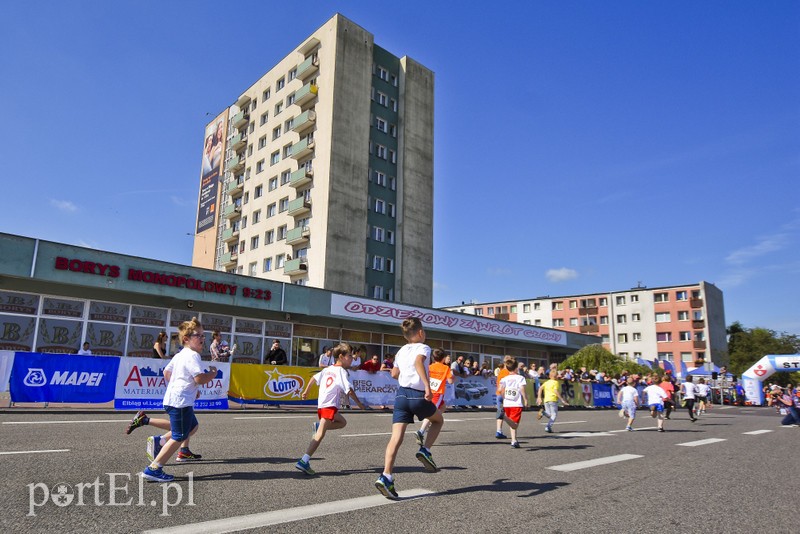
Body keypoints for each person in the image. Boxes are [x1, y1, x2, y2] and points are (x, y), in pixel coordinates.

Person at [138, 317, 218, 482]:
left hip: (175, 399)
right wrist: (212, 374)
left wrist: (181, 386)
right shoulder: (193, 356)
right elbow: (199, 378)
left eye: (203, 335)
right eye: (198, 335)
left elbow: (166, 373)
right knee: (179, 436)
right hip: (180, 402)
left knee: (192, 426)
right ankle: (154, 468)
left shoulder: (180, 355)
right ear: (186, 339)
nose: (202, 339)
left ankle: (160, 442)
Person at [375, 318, 443, 500]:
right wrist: (427, 386)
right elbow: (419, 362)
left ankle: (386, 475)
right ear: (420, 333)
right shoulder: (423, 347)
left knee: (395, 438)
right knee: (438, 420)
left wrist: (404, 375)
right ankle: (425, 450)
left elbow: (394, 373)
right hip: (417, 395)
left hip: (401, 396)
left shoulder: (401, 351)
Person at [295, 343, 366, 475]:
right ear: (341, 357)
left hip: (323, 405)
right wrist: (360, 404)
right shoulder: (341, 371)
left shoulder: (327, 369)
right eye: (350, 356)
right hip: (329, 405)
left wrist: (306, 391)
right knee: (320, 435)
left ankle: (318, 427)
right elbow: (349, 390)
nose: (352, 359)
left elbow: (313, 378)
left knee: (342, 422)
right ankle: (304, 460)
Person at [415, 348, 453, 446]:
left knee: (443, 406)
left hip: (428, 391)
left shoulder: (430, 367)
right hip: (437, 393)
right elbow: (450, 381)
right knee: (431, 412)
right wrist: (453, 376)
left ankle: (433, 420)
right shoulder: (446, 368)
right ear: (443, 358)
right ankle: (421, 431)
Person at [497, 357, 528, 448]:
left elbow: (500, 389)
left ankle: (514, 440)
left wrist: (504, 397)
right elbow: (522, 389)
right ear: (516, 368)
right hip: (516, 403)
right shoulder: (520, 378)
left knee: (512, 422)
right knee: (515, 425)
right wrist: (525, 399)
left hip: (507, 403)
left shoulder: (505, 378)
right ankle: (503, 417)